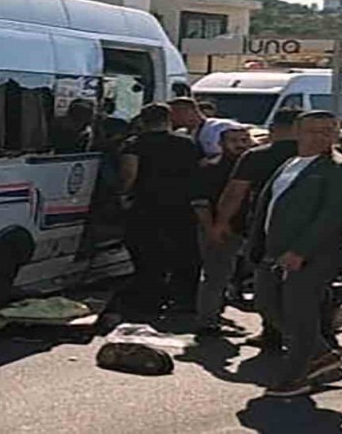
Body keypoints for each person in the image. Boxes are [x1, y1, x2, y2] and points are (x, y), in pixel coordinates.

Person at [252, 111, 342, 397]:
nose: (321, 136)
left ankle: (296, 376)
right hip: (272, 251)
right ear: (297, 133)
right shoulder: (290, 163)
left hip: (314, 254)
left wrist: (300, 251)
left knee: (300, 313)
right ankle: (322, 354)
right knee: (266, 304)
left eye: (328, 130)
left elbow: (331, 214)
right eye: (313, 130)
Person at [209, 108, 304, 350]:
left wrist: (221, 222)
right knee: (307, 285)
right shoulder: (318, 156)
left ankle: (277, 334)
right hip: (309, 227)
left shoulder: (257, 156)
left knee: (267, 283)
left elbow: (235, 193)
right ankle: (314, 335)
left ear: (274, 128)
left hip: (266, 227)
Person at [118, 103, 203, 319]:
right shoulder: (187, 143)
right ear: (169, 119)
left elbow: (129, 174)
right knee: (183, 254)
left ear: (143, 121)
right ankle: (183, 300)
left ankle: (150, 301)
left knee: (147, 256)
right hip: (181, 207)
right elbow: (200, 170)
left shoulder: (135, 144)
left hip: (146, 206)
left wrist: (122, 195)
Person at [191, 124, 254, 335]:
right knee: (215, 276)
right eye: (234, 141)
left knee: (228, 275)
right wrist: (212, 229)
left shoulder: (251, 165)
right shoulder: (211, 167)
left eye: (244, 140)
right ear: (220, 144)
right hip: (220, 229)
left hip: (245, 227)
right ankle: (208, 322)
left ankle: (216, 315)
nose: (240, 145)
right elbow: (200, 202)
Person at [169, 97, 234, 157]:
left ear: (191, 112)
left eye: (175, 113)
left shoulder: (221, 126)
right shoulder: (180, 134)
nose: (171, 118)